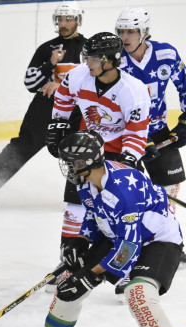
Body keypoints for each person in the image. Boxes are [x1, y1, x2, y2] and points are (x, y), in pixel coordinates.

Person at [13, 130, 186, 327]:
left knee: (138, 294)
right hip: (120, 236)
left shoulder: (123, 190)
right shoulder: (86, 181)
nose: (68, 167)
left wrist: (92, 277)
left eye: (71, 162)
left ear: (85, 162)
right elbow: (95, 218)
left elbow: (128, 249)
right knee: (69, 279)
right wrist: (79, 242)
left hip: (157, 241)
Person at [44, 32, 151, 293]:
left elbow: (137, 133)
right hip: (87, 148)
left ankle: (128, 266)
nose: (87, 62)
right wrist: (58, 123)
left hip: (117, 152)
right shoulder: (79, 76)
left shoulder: (133, 90)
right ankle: (68, 263)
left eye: (93, 58)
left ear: (110, 61)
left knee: (124, 211)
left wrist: (127, 161)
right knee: (75, 204)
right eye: (87, 57)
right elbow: (64, 98)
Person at [0, 1, 86, 210]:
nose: (63, 24)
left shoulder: (88, 49)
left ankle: (80, 199)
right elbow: (30, 83)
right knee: (23, 145)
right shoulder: (47, 49)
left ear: (78, 20)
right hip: (46, 108)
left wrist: (64, 86)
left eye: (68, 19)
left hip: (76, 109)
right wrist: (50, 63)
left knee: (81, 150)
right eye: (60, 19)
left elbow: (93, 81)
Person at [115, 7, 186, 264]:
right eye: (121, 31)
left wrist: (185, 121)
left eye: (131, 31)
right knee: (127, 196)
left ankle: (167, 244)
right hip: (126, 136)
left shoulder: (166, 54)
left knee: (168, 189)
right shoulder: (115, 60)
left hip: (158, 131)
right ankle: (130, 248)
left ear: (144, 32)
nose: (125, 37)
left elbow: (185, 84)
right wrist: (137, 139)